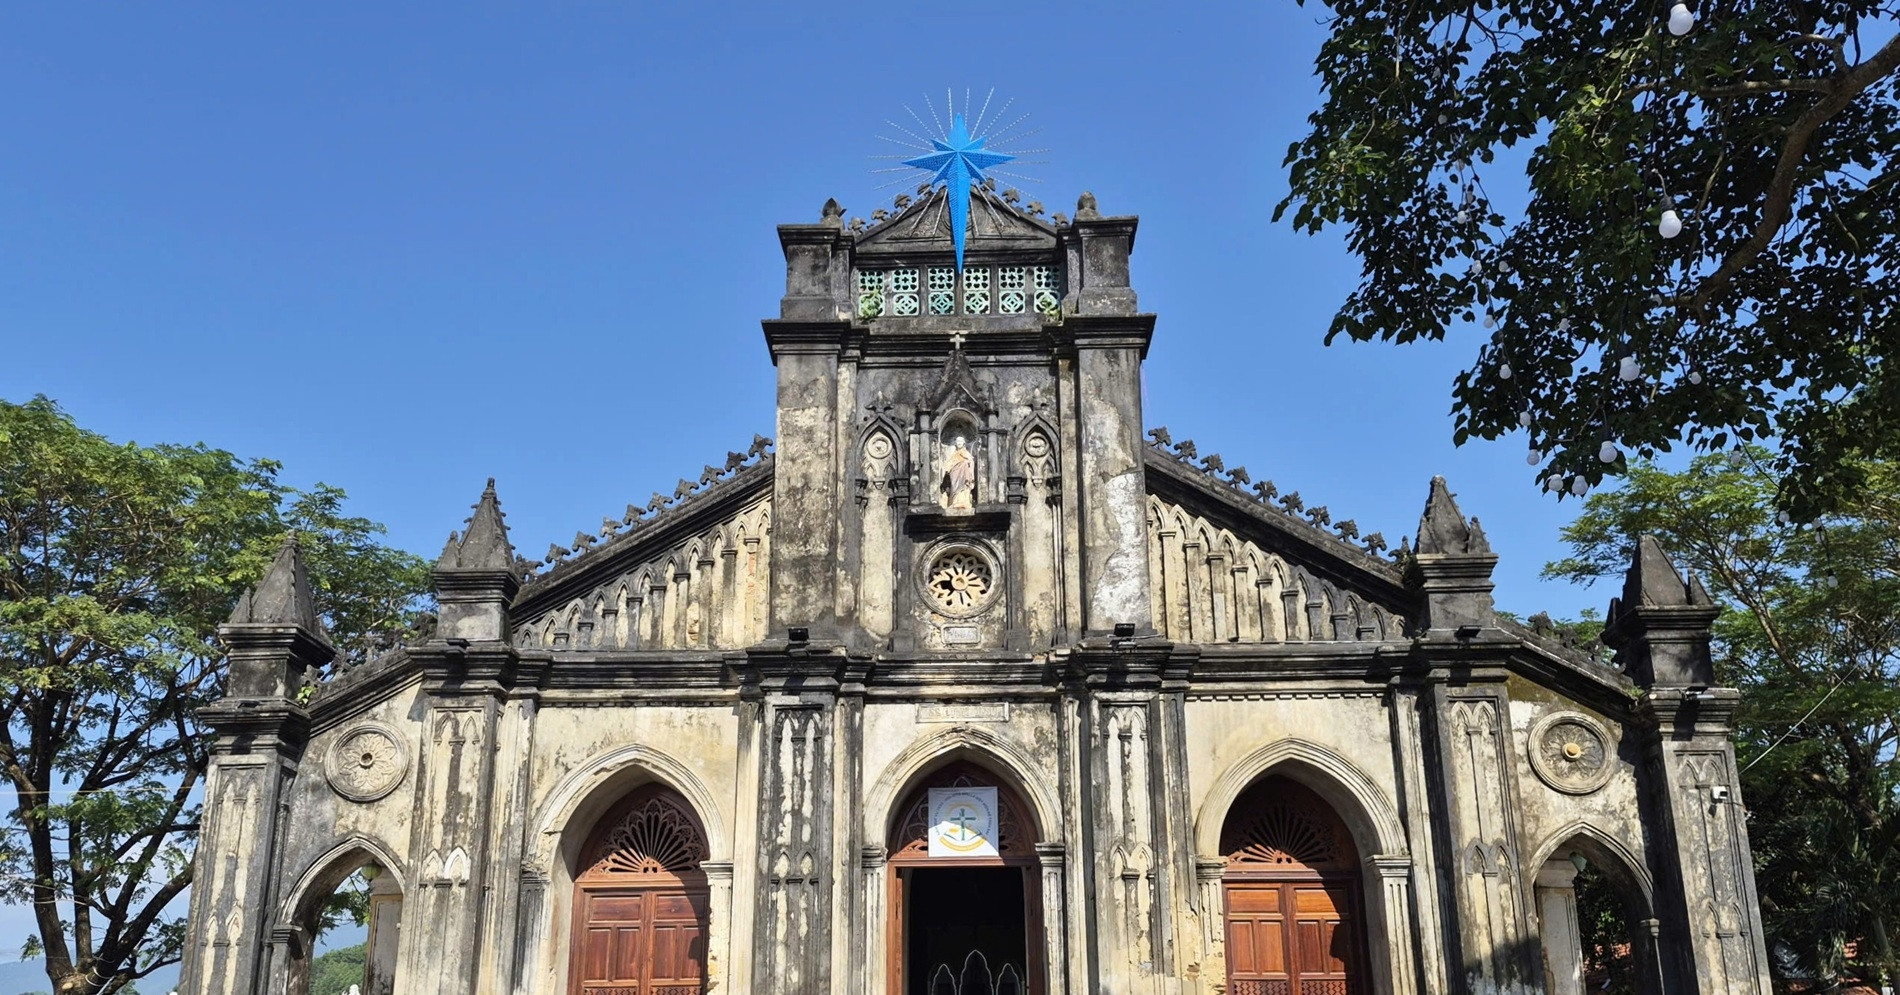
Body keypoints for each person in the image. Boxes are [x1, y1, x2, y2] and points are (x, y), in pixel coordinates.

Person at [943, 436, 975, 511]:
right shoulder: (954, 453)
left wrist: (966, 464)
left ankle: (964, 502)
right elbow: (948, 465)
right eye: (957, 441)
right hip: (955, 475)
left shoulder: (966, 453)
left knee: (964, 487)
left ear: (963, 443)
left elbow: (971, 463)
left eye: (960, 441)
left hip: (964, 476)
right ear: (956, 443)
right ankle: (954, 502)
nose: (959, 443)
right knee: (955, 488)